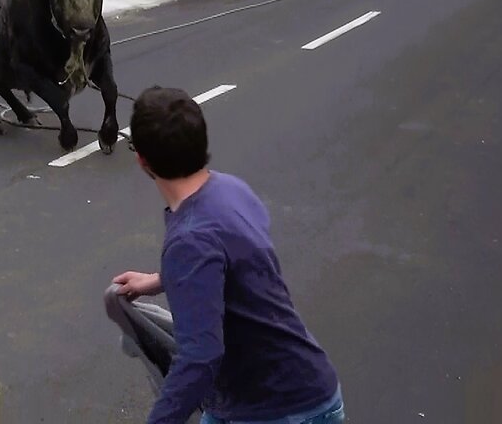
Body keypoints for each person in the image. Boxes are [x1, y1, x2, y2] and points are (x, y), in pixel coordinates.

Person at [111, 87, 343, 424]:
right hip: (279, 388)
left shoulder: (189, 241)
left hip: (280, 409)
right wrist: (160, 280)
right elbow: (234, 263)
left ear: (142, 160)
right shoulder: (230, 189)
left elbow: (200, 358)